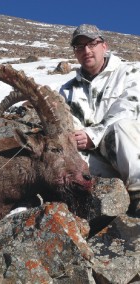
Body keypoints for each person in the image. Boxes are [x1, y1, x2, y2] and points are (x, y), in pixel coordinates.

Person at [60, 24, 140, 216]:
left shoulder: (131, 72)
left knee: (122, 127)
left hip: (129, 149)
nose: (86, 50)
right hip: (93, 159)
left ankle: (138, 195)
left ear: (104, 46)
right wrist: (76, 137)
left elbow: (128, 109)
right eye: (79, 47)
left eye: (91, 44)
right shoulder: (67, 90)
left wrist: (91, 135)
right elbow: (66, 121)